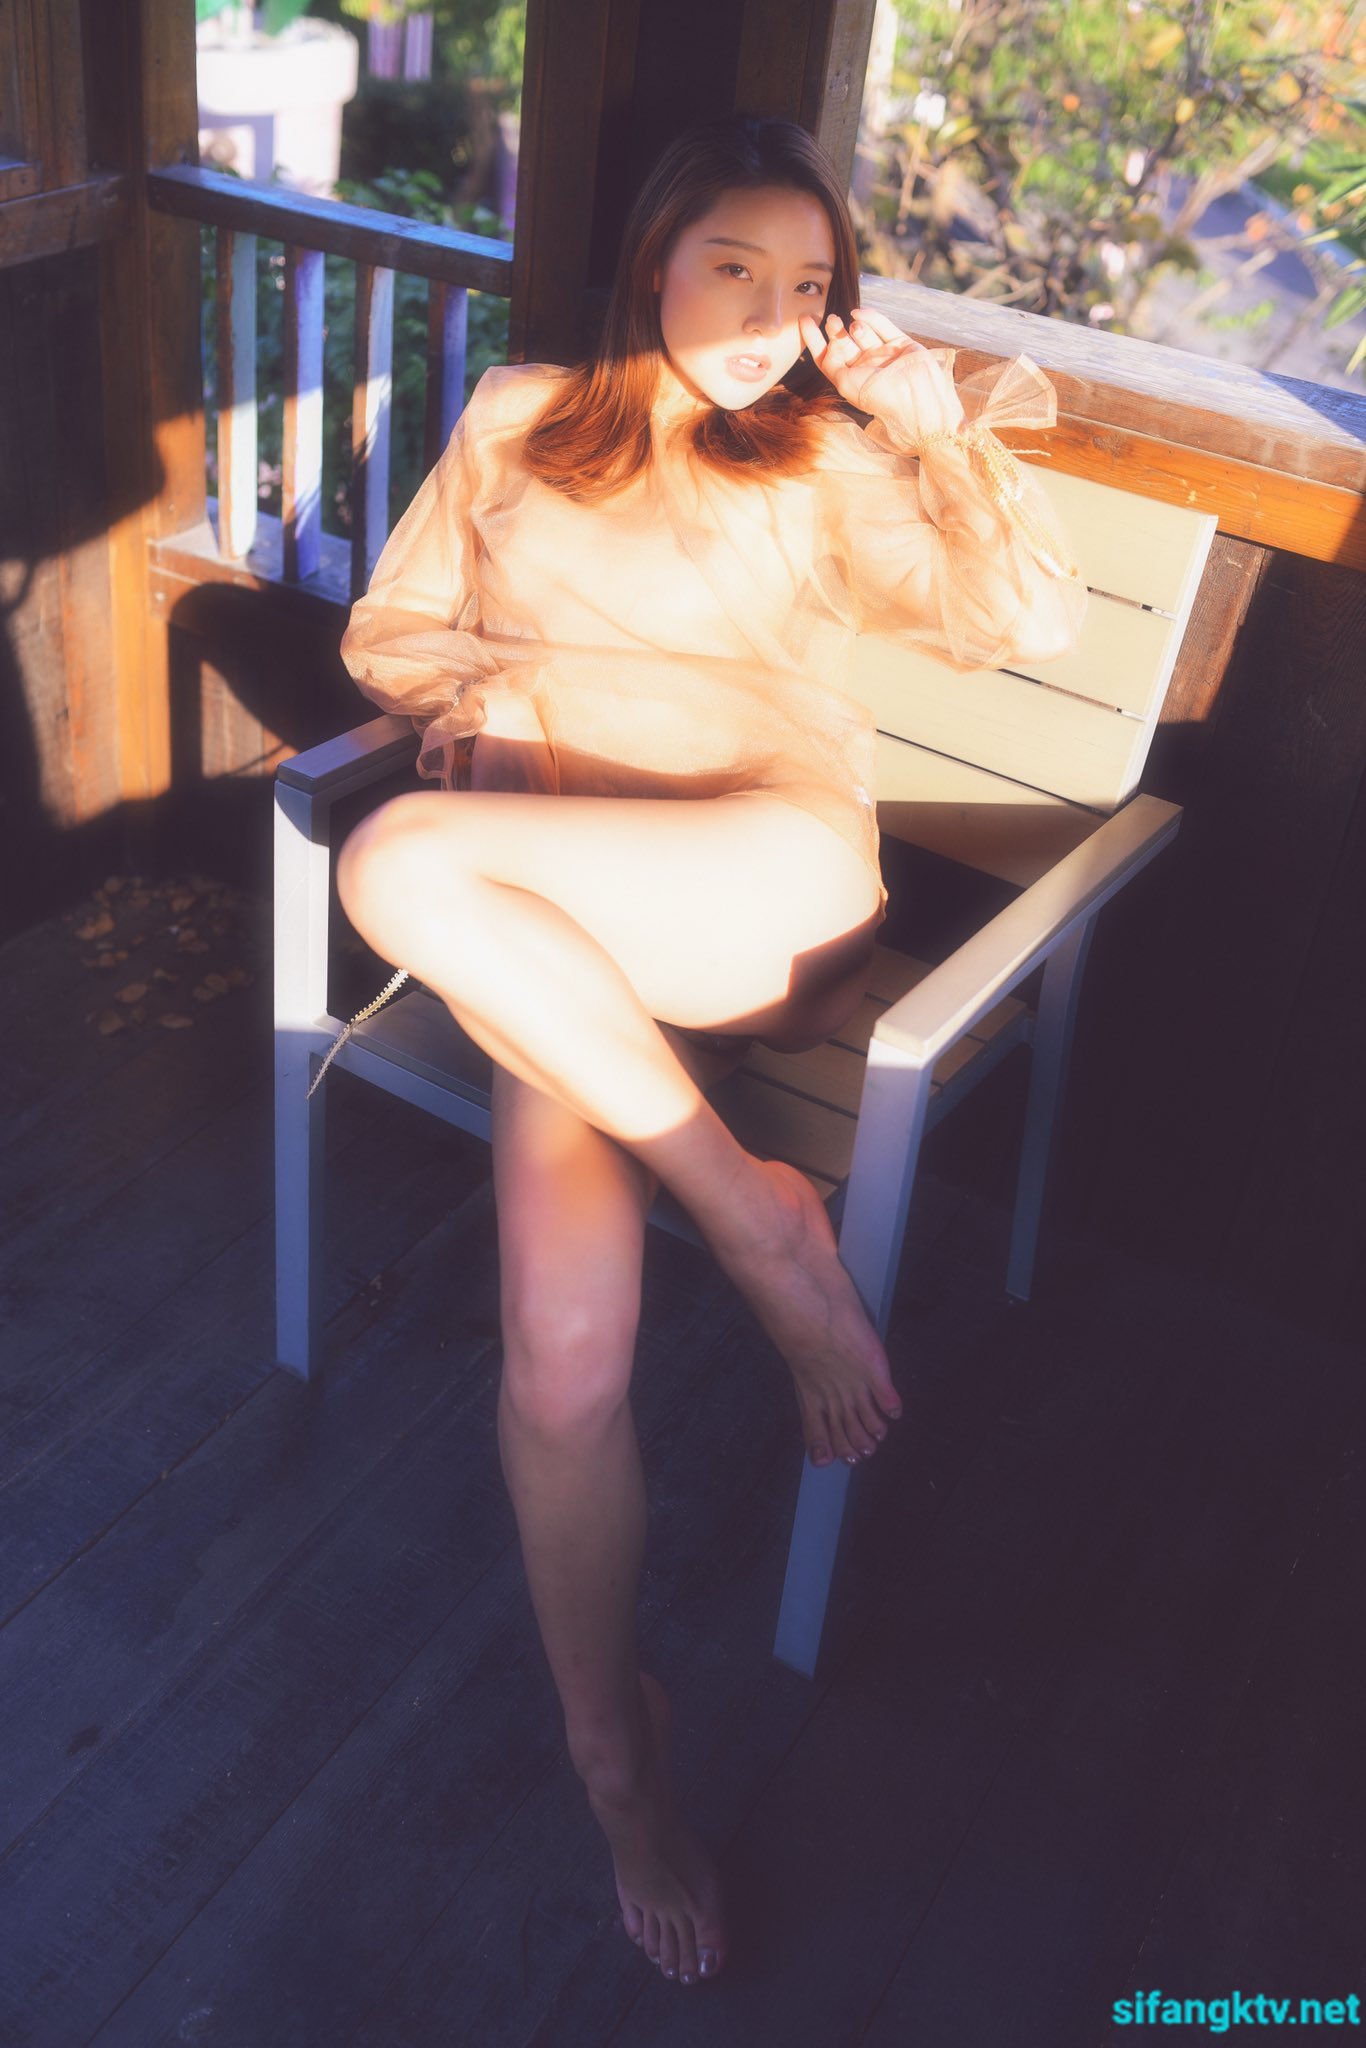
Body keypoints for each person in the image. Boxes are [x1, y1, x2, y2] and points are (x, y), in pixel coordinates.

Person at [330, 111, 1087, 1990]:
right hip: (561, 928)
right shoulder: (517, 416)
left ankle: (755, 1229)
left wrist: (924, 426)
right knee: (560, 1361)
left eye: (805, 287)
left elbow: (1024, 617)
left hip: (765, 878)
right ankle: (616, 1758)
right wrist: (482, 694)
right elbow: (392, 631)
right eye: (731, 268)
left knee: (399, 862)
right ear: (654, 253)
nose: (766, 319)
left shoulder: (825, 454)